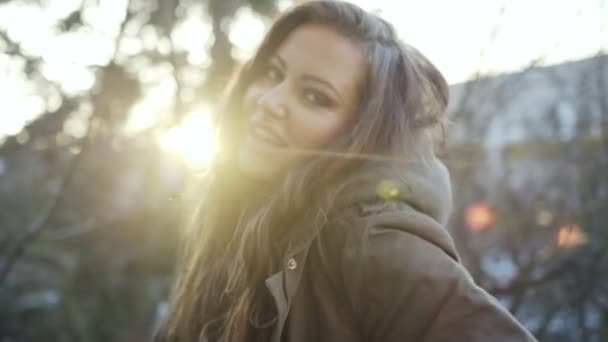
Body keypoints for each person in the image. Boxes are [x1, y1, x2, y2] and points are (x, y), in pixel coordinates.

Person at [155, 1, 537, 341]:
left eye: (315, 96)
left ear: (358, 135)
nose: (269, 101)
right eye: (273, 73)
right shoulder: (231, 208)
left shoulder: (368, 240)